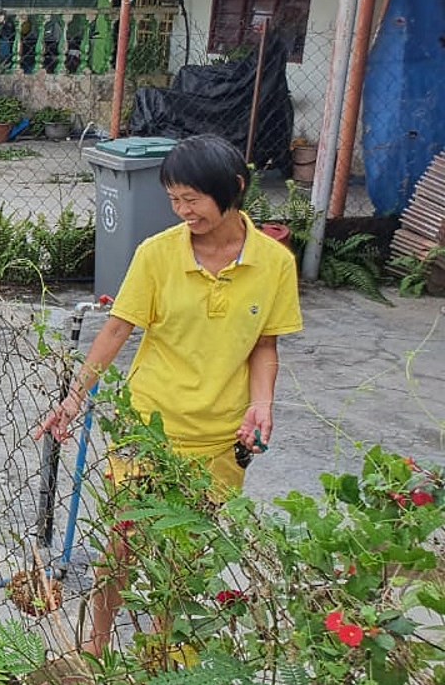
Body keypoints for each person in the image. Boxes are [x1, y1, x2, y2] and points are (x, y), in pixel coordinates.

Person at [33, 133, 302, 654]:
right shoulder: (156, 255)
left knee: (186, 555)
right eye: (174, 199)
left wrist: (262, 404)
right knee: (123, 543)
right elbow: (115, 331)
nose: (182, 211)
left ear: (234, 189)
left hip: (220, 437)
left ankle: (161, 653)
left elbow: (264, 347)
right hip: (147, 428)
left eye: (192, 199)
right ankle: (97, 643)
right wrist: (73, 399)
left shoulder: (274, 264)